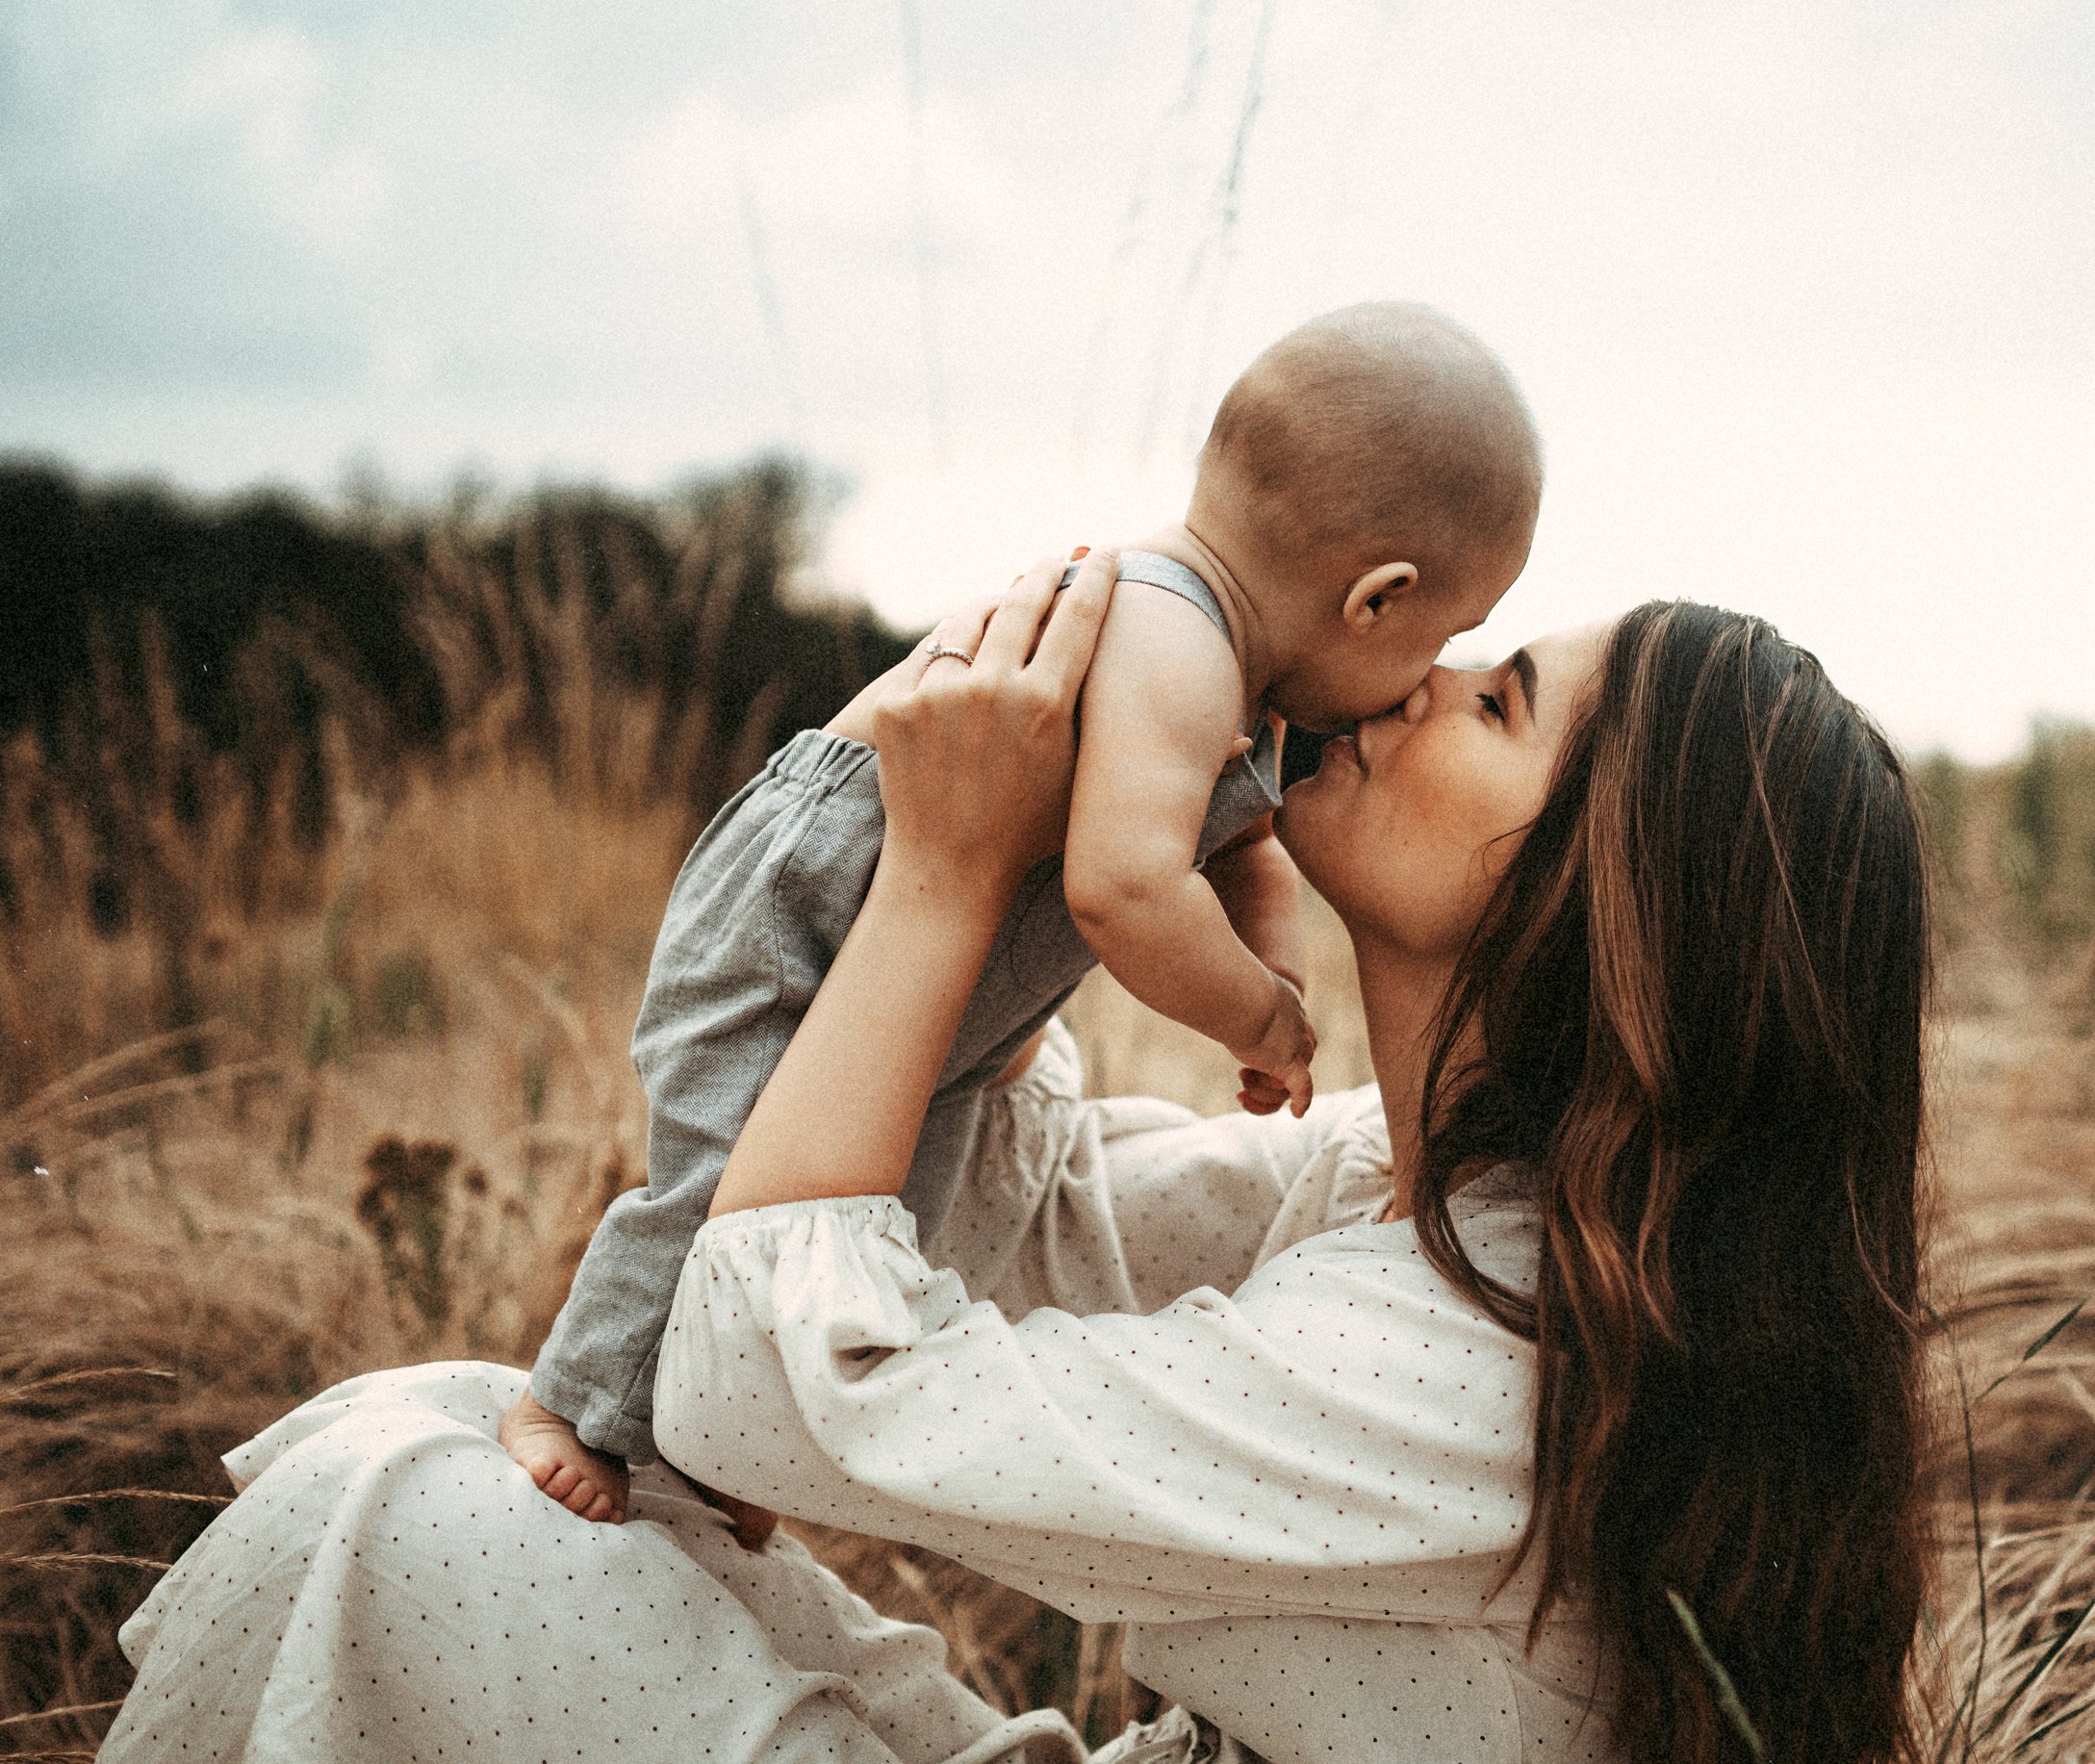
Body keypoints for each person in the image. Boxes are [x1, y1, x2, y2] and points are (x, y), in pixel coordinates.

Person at [105, 555, 1933, 1764]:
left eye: (1504, 701)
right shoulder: (1445, 1205)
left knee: (431, 1537)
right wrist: (1076, 812)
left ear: (1617, 913)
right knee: (424, 1445)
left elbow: (766, 1380)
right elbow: (984, 1209)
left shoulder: (1483, 1362)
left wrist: (938, 876)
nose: (1427, 673)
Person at [504, 302, 1545, 1533]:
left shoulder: (1241, 683)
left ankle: (715, 1429)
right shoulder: (1172, 638)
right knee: (726, 1170)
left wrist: (1275, 969)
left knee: (885, 1206)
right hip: (803, 920)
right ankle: (573, 1401)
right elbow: (1125, 887)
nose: (1431, 678)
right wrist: (1252, 1015)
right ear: (1376, 598)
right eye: (1451, 637)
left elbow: (1243, 850)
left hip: (926, 981)